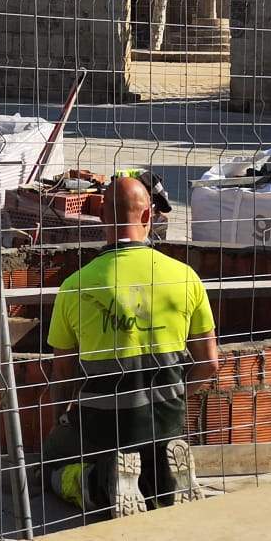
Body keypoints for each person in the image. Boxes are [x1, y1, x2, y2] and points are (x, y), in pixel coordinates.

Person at [42, 175, 219, 517]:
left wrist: (60, 421)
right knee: (151, 453)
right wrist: (177, 393)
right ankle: (165, 481)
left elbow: (62, 373)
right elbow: (210, 363)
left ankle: (100, 481)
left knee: (51, 466)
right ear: (147, 217)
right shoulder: (185, 276)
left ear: (102, 218)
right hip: (165, 418)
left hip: (103, 425)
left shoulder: (75, 286)